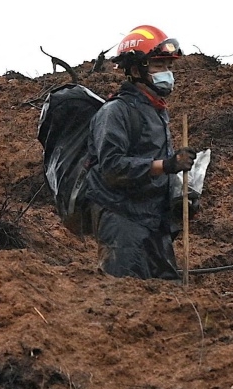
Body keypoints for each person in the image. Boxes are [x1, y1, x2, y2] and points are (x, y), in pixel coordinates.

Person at [82, 25, 194, 280]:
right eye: (158, 66)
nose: (167, 73)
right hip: (122, 219)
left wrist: (179, 192)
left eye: (168, 66)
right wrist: (165, 165)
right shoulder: (115, 112)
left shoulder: (156, 111)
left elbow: (157, 165)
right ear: (135, 70)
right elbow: (112, 167)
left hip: (153, 218)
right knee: (125, 298)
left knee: (167, 296)